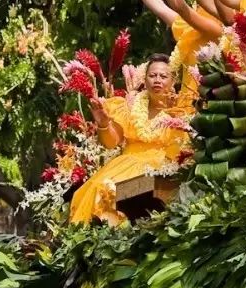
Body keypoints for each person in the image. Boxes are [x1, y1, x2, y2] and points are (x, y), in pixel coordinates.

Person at [69, 55, 196, 225]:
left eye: (163, 76)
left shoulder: (184, 108)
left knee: (113, 192)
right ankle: (93, 241)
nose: (157, 80)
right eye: (152, 75)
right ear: (145, 79)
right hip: (125, 164)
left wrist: (177, 117)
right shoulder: (131, 106)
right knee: (95, 188)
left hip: (159, 168)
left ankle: (118, 237)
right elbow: (111, 142)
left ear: (174, 80)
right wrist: (104, 124)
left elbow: (184, 148)